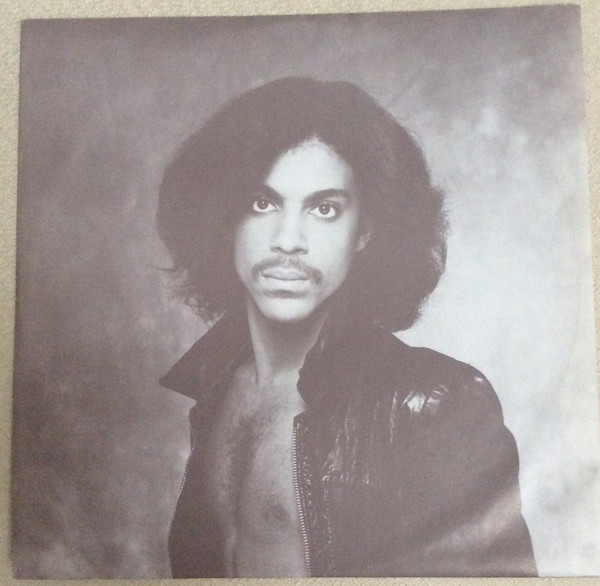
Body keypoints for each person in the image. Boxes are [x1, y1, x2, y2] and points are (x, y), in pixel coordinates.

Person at [156, 77, 537, 578]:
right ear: (224, 220)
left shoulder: (436, 404)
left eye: (324, 209)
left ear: (365, 233)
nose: (287, 240)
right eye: (262, 203)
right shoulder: (216, 385)